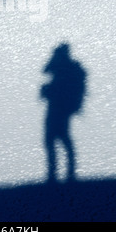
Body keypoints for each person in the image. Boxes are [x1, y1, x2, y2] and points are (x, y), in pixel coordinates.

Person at [40, 44, 86, 182]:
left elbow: (48, 72)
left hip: (60, 107)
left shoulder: (69, 68)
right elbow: (45, 70)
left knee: (58, 138)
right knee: (54, 139)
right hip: (56, 106)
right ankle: (57, 173)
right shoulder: (64, 66)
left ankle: (63, 173)